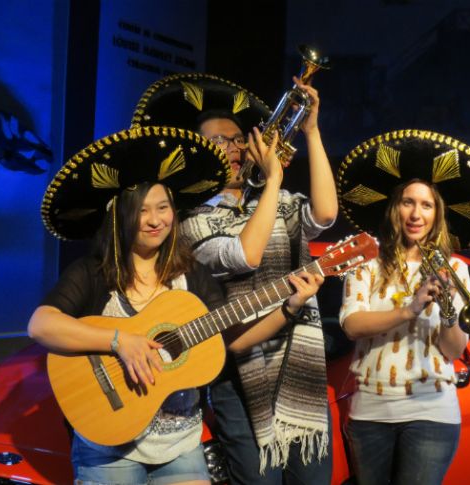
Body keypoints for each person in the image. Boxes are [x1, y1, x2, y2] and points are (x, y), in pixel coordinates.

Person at [28, 127, 324, 485]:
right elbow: (41, 325)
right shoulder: (94, 273)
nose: (156, 221)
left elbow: (233, 339)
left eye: (164, 208)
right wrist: (120, 341)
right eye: (143, 211)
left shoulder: (191, 274)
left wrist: (290, 305)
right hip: (110, 447)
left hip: (180, 446)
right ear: (120, 216)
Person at [131, 72, 338, 483]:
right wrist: (276, 178)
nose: (234, 149)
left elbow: (326, 214)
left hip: (298, 367)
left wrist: (311, 133)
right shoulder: (192, 222)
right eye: (219, 141)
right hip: (238, 376)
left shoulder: (275, 202)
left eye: (238, 139)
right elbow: (245, 253)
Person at [334, 130, 470, 485]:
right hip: (372, 412)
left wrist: (447, 310)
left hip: (433, 411)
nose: (416, 214)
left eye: (426, 205)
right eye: (408, 202)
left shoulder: (454, 269)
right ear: (394, 208)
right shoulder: (365, 263)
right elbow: (352, 325)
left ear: (437, 213)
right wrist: (409, 309)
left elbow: (453, 350)